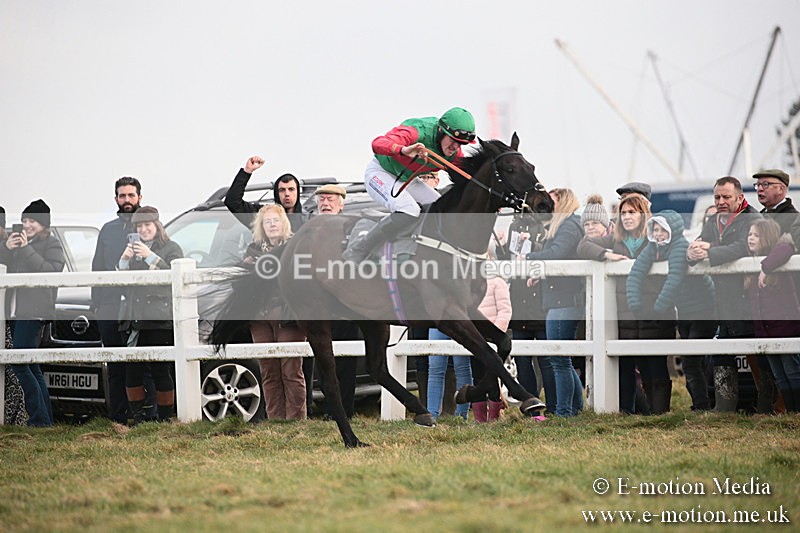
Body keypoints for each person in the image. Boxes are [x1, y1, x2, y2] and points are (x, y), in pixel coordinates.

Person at [343, 107, 476, 262]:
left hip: (407, 179)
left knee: (441, 209)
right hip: (380, 172)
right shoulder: (416, 131)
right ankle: (359, 248)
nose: (455, 148)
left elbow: (467, 179)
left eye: (461, 144)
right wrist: (403, 149)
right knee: (410, 209)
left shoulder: (455, 154)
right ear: (440, 131)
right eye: (453, 141)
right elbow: (377, 143)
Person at [626, 210, 716, 412]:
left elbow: (673, 280)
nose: (658, 234)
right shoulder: (653, 248)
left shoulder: (678, 247)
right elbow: (635, 274)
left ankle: (702, 406)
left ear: (672, 230)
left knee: (692, 360)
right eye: (655, 229)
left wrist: (657, 310)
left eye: (662, 230)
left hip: (703, 309)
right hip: (684, 310)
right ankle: (702, 405)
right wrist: (636, 307)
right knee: (693, 361)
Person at [687, 176, 760, 412]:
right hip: (722, 299)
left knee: (756, 353)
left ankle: (770, 407)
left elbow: (744, 246)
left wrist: (709, 250)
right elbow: (700, 242)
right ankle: (724, 407)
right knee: (722, 352)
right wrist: (693, 251)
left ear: (740, 197)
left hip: (748, 297)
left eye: (726, 197)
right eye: (717, 197)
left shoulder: (753, 218)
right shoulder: (713, 221)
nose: (720, 201)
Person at [578, 193, 655, 414]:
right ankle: (626, 411)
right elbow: (583, 246)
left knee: (653, 364)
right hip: (622, 310)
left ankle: (658, 413)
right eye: (623, 213)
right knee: (625, 363)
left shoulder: (654, 238)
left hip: (650, 308)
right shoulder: (616, 240)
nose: (627, 217)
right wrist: (606, 255)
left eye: (632, 212)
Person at [91, 176, 155, 423]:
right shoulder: (107, 230)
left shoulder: (149, 225)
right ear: (116, 199)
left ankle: (147, 419)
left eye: (131, 195)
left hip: (138, 306)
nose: (127, 200)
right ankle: (117, 419)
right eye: (122, 196)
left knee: (142, 363)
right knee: (115, 364)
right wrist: (96, 302)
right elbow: (97, 266)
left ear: (140, 196)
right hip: (109, 304)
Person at [0, 199, 64, 426]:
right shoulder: (17, 243)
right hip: (15, 311)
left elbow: (50, 271)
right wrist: (7, 250)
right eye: (25, 220)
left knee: (19, 362)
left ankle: (38, 419)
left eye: (32, 221)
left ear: (44, 224)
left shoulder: (52, 244)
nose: (27, 225)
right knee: (32, 365)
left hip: (34, 311)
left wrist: (26, 249)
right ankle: (45, 420)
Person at [117, 206, 183, 424]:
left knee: (160, 369)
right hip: (134, 318)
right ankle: (137, 418)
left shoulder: (171, 248)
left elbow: (173, 276)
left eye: (147, 225)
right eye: (139, 226)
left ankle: (165, 419)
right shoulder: (132, 252)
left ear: (157, 225)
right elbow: (120, 283)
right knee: (132, 370)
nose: (144, 230)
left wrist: (149, 256)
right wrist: (124, 261)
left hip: (159, 319)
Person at [526, 188, 584, 418]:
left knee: (559, 358)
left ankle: (564, 411)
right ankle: (575, 408)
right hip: (560, 296)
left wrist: (528, 258)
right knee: (563, 358)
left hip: (563, 298)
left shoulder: (569, 226)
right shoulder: (565, 226)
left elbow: (557, 253)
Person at [246, 204, 306, 420]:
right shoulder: (252, 249)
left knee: (291, 370)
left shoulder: (295, 246)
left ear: (284, 223)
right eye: (267, 221)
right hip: (260, 318)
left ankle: (296, 420)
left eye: (276, 220)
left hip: (288, 316)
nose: (272, 225)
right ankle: (276, 420)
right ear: (261, 226)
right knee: (268, 371)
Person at [311, 184, 361, 419]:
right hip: (318, 304)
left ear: (341, 203)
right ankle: (330, 409)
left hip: (345, 303)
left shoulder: (351, 227)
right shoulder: (310, 229)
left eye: (330, 199)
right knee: (323, 360)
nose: (325, 203)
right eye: (321, 199)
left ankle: (346, 409)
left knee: (345, 361)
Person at [499, 212, 554, 413]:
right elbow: (508, 262)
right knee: (522, 359)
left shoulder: (546, 228)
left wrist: (532, 246)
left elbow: (550, 253)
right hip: (519, 303)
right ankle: (532, 405)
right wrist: (501, 246)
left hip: (539, 303)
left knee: (546, 359)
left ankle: (554, 405)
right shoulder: (515, 226)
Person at [745, 218, 800, 412]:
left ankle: (796, 412)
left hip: (785, 328)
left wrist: (765, 268)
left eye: (756, 235)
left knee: (792, 371)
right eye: (749, 234)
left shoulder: (778, 258)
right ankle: (790, 413)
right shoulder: (748, 262)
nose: (750, 238)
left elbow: (786, 247)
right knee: (780, 374)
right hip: (766, 331)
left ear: (767, 238)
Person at [471, 245, 512, 422]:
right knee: (477, 377)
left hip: (491, 340)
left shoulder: (497, 282)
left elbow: (505, 310)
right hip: (475, 339)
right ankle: (480, 418)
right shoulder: (470, 284)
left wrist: (495, 335)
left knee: (492, 378)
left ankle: (494, 416)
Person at [225, 156, 308, 232]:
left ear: (297, 192)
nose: (287, 194)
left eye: (291, 189)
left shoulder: (308, 221)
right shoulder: (264, 216)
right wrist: (246, 171)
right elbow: (233, 202)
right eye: (282, 190)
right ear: (276, 193)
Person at [1, 206, 28, 426]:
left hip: (8, 315)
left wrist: (8, 250)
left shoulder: (14, 245)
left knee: (12, 371)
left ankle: (15, 418)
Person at [752, 169, 797, 235]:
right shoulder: (757, 216)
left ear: (781, 189)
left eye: (765, 184)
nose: (760, 189)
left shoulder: (793, 219)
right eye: (758, 185)